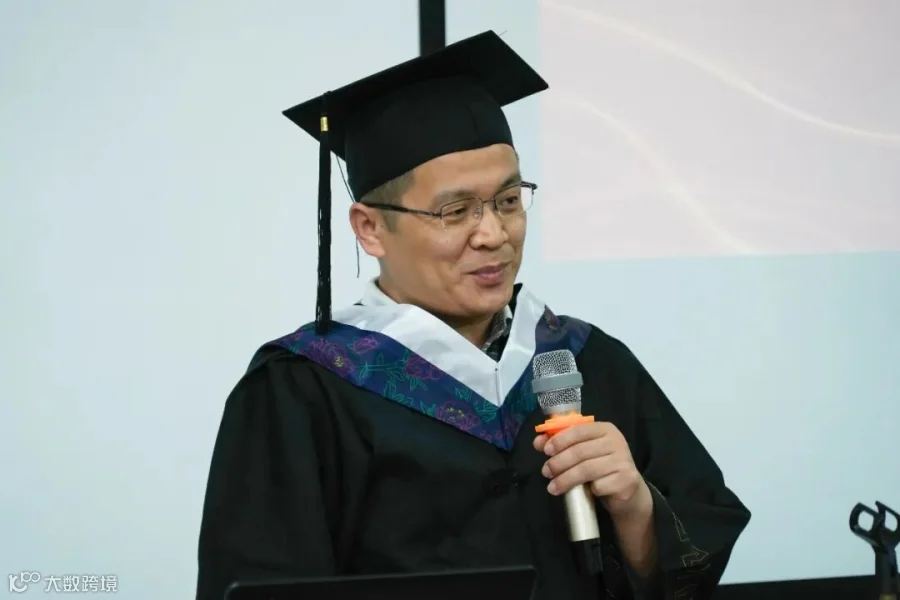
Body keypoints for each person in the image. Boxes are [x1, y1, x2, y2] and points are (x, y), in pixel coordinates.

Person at [195, 31, 751, 600]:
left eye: (508, 201)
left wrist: (636, 511)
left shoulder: (583, 359)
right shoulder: (302, 391)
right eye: (456, 211)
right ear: (370, 228)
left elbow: (696, 552)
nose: (493, 235)